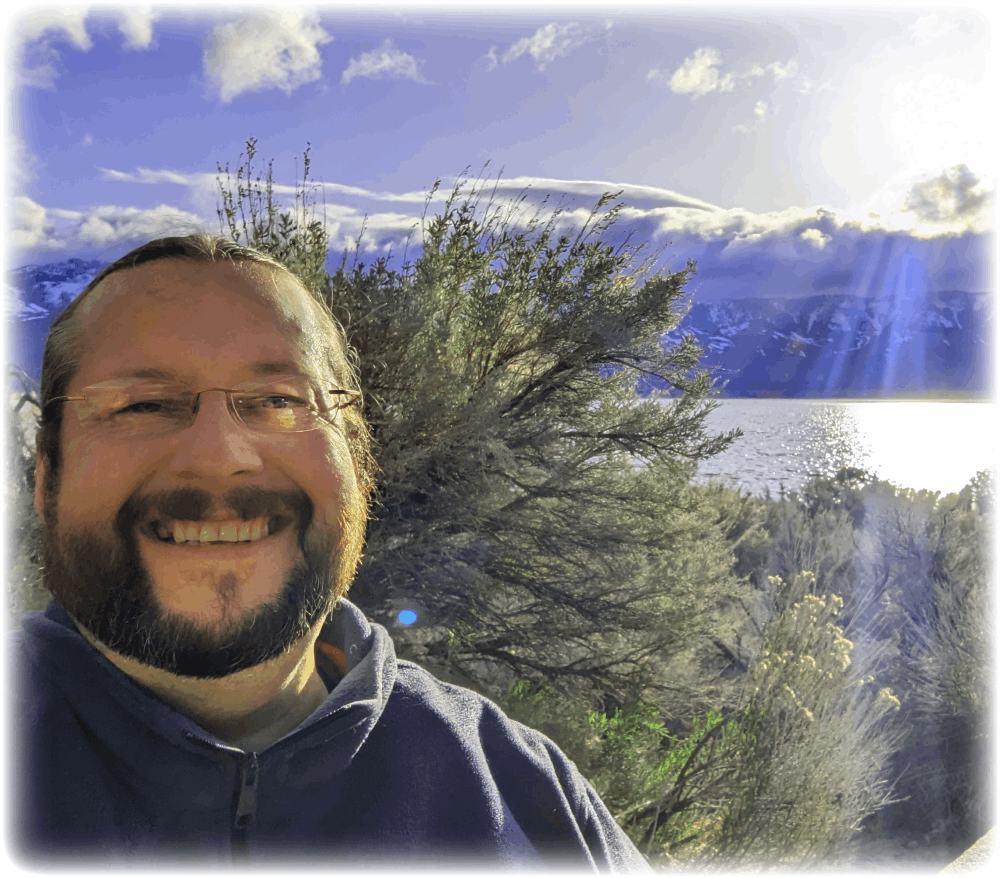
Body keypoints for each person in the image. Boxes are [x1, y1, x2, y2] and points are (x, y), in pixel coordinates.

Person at [10, 234, 651, 869]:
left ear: (361, 470)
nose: (217, 458)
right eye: (143, 404)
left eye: (280, 402)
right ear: (46, 478)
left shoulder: (533, 799)